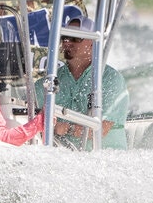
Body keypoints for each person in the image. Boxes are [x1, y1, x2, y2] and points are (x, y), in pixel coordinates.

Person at [51, 18, 131, 148]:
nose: (67, 41)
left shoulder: (111, 79)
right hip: (66, 159)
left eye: (75, 38)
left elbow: (101, 128)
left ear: (93, 43)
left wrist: (66, 128)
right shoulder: (50, 80)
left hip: (106, 162)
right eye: (65, 37)